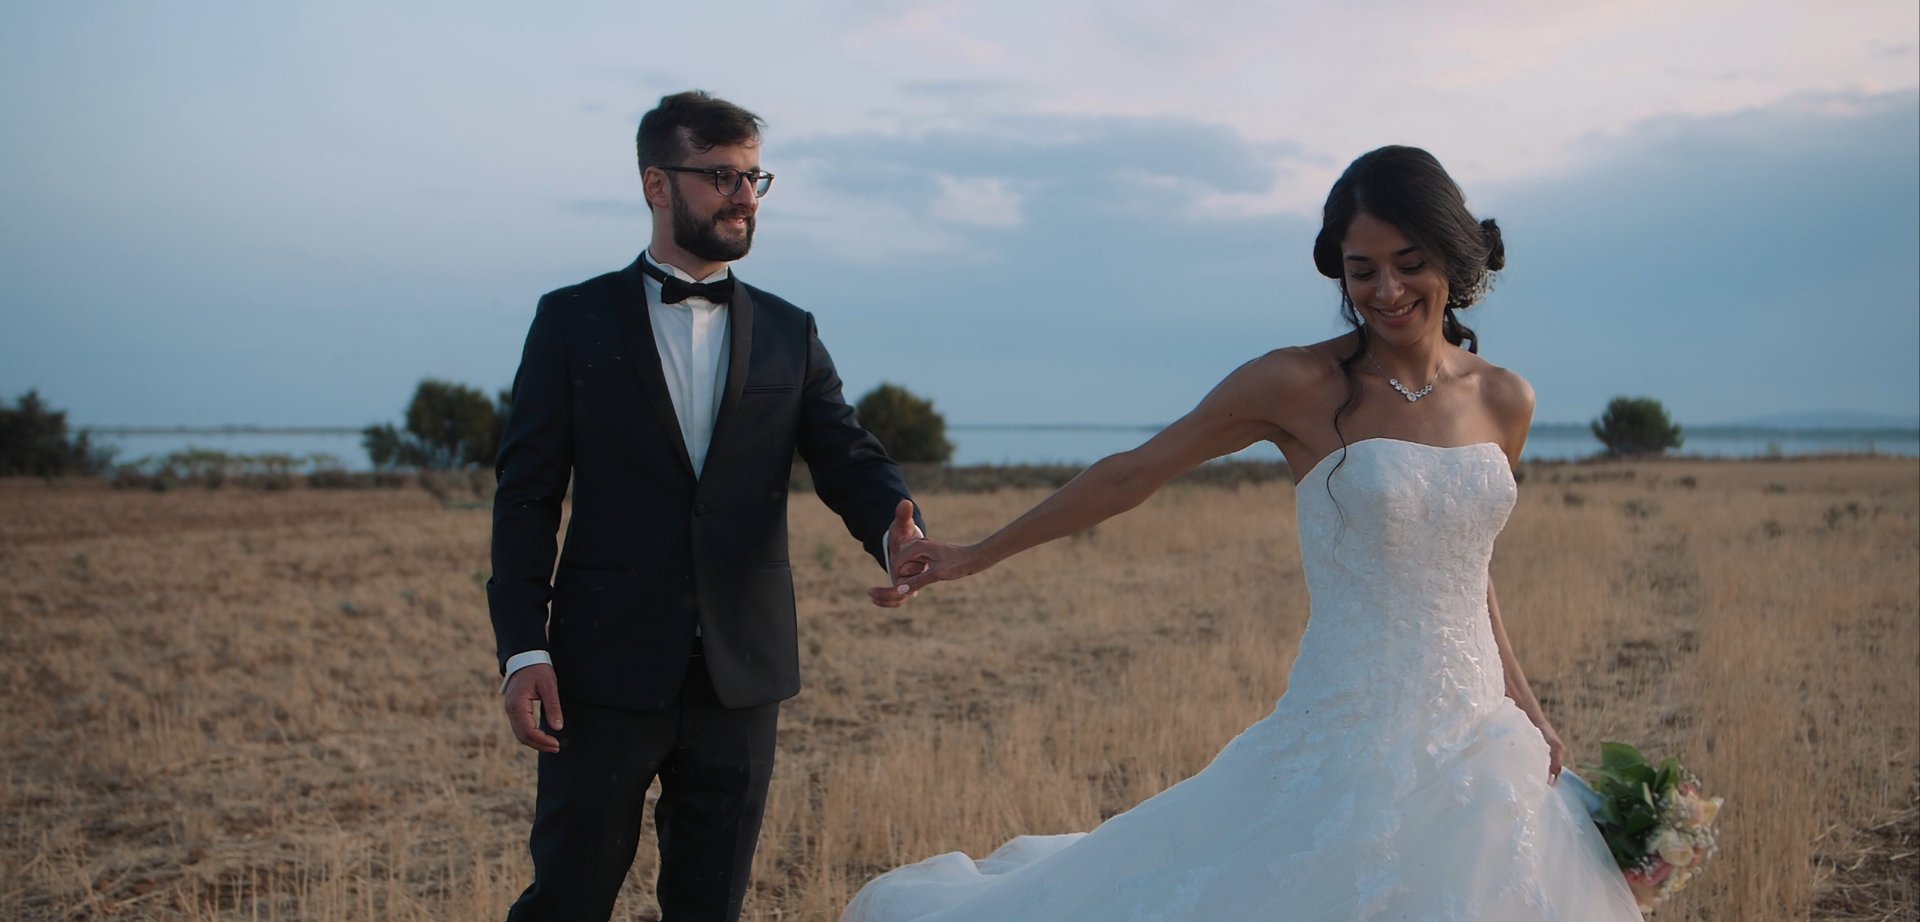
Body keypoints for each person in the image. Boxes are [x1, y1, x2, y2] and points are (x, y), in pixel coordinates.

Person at [849, 146, 1645, 920]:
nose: (1386, 289)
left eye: (1409, 262)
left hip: (1481, 747)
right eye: (1360, 268)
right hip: (1347, 732)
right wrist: (973, 554)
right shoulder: (1296, 383)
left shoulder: (1507, 399)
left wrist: (1528, 706)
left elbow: (1466, 570)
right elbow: (1133, 472)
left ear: (1453, 257)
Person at [488, 90, 925, 922]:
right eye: (721, 175)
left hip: (742, 672)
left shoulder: (790, 332)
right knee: (568, 901)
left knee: (710, 906)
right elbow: (527, 497)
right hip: (601, 673)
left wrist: (894, 529)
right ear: (657, 184)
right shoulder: (571, 320)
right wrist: (521, 649)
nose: (744, 196)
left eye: (755, 177)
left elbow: (846, 455)